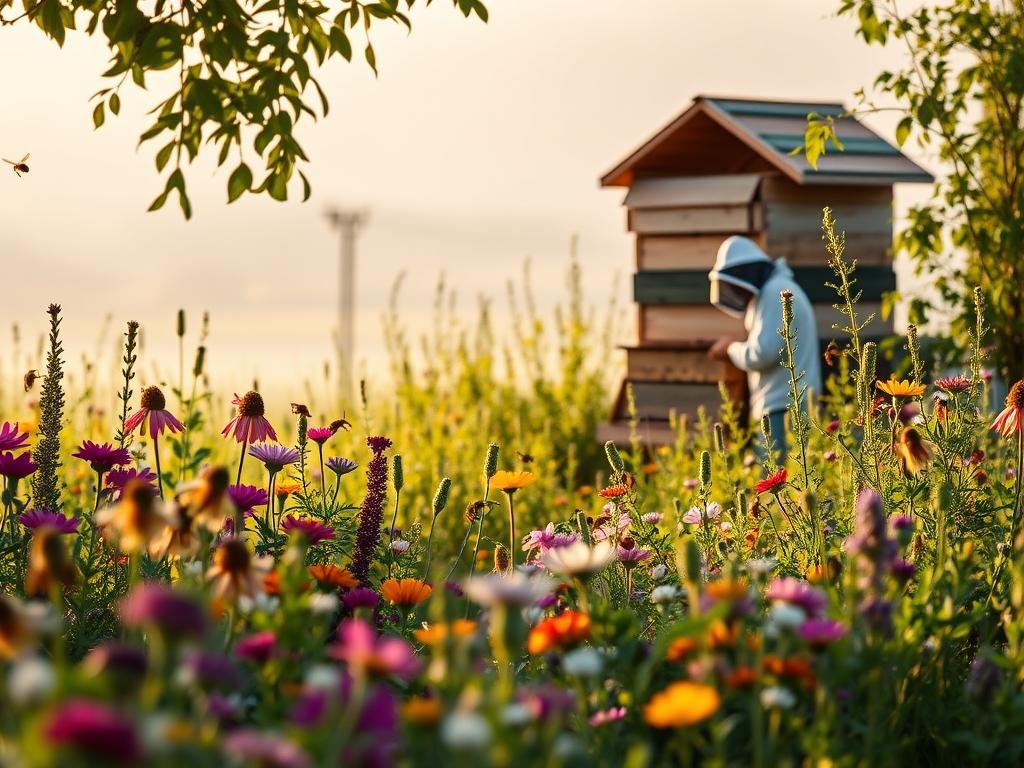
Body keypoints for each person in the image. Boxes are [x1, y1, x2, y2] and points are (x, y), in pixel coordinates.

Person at [706, 236, 822, 461]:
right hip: (792, 403)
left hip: (782, 407)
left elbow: (762, 352)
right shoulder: (780, 288)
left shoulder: (774, 292)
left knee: (776, 488)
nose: (737, 292)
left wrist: (730, 349)